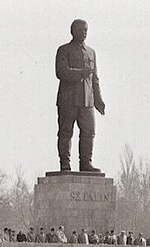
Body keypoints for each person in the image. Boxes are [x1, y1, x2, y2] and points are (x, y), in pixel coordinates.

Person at [55, 20, 106, 172]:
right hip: (68, 99)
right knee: (66, 131)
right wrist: (79, 74)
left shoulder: (91, 52)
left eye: (86, 29)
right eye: (81, 29)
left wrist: (98, 99)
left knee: (89, 131)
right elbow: (61, 71)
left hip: (87, 100)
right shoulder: (63, 50)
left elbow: (94, 78)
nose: (84, 32)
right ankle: (65, 163)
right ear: (72, 31)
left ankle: (86, 163)